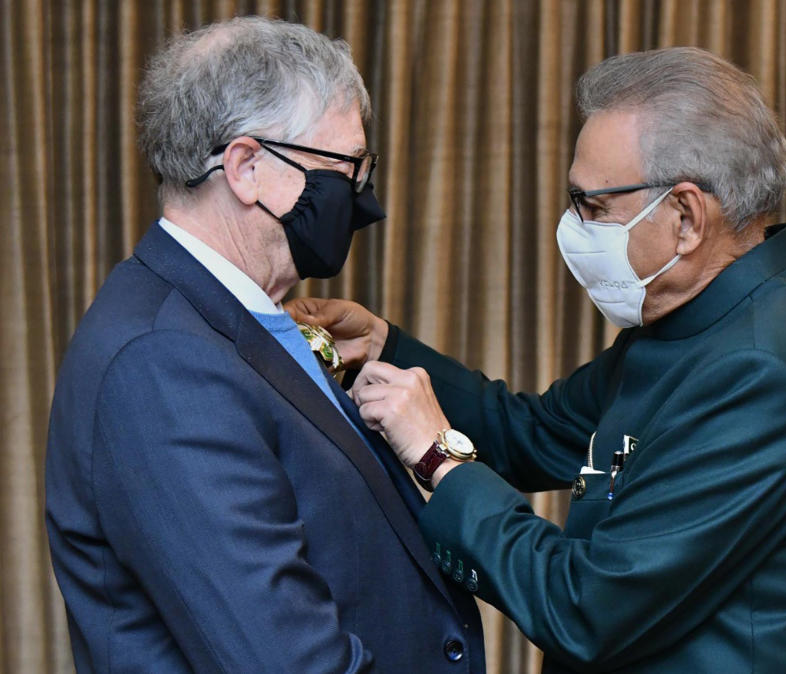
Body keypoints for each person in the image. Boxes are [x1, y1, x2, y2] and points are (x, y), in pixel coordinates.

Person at [288, 47, 786, 672]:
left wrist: (439, 459)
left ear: (685, 217)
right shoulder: (692, 324)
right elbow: (536, 433)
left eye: (593, 207)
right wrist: (384, 347)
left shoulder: (759, 373)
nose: (573, 227)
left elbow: (585, 607)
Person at [45, 17, 482, 673]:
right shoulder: (166, 363)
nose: (361, 198)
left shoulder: (230, 315)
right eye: (344, 169)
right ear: (248, 168)